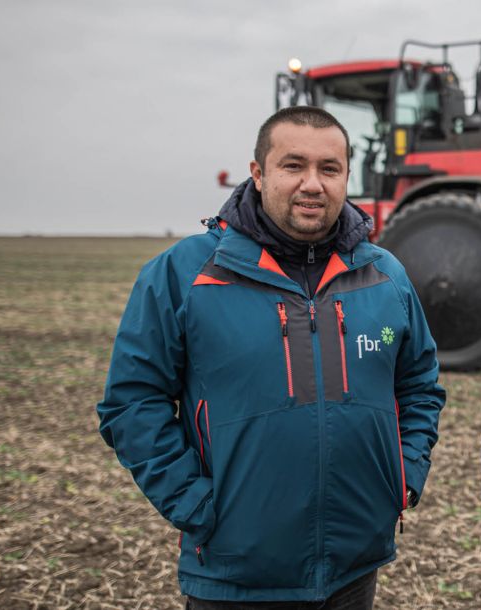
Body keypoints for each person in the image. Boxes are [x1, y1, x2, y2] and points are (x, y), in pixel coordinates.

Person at [98, 106, 445, 608]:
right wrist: (196, 507)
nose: (313, 184)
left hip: (354, 570)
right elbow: (131, 402)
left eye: (329, 169)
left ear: (348, 176)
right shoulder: (186, 273)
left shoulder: (385, 275)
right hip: (235, 575)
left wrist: (402, 476)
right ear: (258, 174)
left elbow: (419, 386)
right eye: (292, 166)